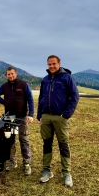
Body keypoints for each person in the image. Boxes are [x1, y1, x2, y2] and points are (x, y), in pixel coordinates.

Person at [37, 55, 80, 187]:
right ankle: (46, 171)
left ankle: (67, 173)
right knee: (47, 143)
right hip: (46, 117)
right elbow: (41, 97)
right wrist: (40, 114)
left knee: (63, 145)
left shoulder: (66, 78)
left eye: (54, 64)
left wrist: (66, 114)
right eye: (49, 64)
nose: (51, 66)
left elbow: (75, 96)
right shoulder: (45, 80)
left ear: (59, 63)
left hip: (60, 117)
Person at [0, 67, 34, 176]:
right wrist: (4, 102)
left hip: (21, 117)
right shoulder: (4, 86)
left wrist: (30, 115)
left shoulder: (23, 85)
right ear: (6, 75)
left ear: (16, 73)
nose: (10, 76)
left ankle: (27, 164)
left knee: (23, 140)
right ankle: (12, 161)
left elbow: (30, 99)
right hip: (10, 118)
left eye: (12, 74)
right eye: (8, 74)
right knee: (10, 140)